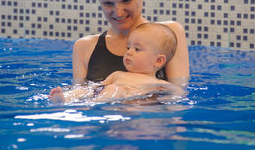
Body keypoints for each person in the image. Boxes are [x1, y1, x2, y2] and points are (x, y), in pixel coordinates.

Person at [73, 0, 189, 87]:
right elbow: (79, 99)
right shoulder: (84, 47)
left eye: (126, 1)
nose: (118, 12)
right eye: (108, 3)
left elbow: (178, 97)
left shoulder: (168, 35)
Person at [49, 22, 184, 103]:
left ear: (158, 61)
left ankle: (92, 104)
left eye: (137, 49)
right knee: (85, 91)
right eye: (128, 47)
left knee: (116, 90)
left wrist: (172, 98)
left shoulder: (159, 84)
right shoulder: (117, 74)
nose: (129, 52)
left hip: (130, 104)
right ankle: (65, 98)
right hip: (108, 97)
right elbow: (97, 87)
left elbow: (178, 93)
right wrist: (83, 92)